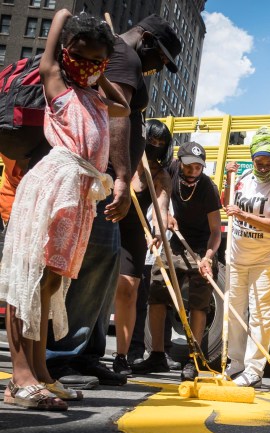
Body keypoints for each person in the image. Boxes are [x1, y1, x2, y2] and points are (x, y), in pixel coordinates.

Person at [0, 10, 129, 410]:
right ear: (68, 54)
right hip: (53, 188)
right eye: (82, 58)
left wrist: (100, 73)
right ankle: (20, 379)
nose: (88, 66)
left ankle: (41, 373)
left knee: (50, 285)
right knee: (30, 281)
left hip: (79, 196)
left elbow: (124, 105)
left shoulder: (94, 95)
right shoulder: (59, 87)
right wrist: (63, 18)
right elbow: (48, 61)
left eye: (98, 61)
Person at [45, 14, 182, 387]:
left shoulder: (121, 55)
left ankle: (86, 354)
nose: (157, 70)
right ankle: (61, 357)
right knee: (85, 267)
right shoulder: (126, 55)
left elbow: (118, 108)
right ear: (150, 42)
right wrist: (121, 176)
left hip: (101, 177)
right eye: (161, 62)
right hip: (100, 178)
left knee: (102, 266)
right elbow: (116, 120)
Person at [138, 141, 221, 381]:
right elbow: (158, 196)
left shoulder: (207, 188)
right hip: (173, 241)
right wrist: (164, 219)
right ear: (179, 163)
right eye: (189, 167)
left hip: (200, 247)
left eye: (198, 167)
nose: (193, 172)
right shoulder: (171, 171)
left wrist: (207, 258)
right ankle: (156, 354)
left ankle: (193, 359)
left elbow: (216, 231)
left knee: (198, 302)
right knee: (157, 293)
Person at [220, 128, 270, 387]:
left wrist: (244, 216)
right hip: (238, 255)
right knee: (234, 311)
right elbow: (226, 203)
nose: (263, 167)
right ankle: (236, 363)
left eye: (269, 163)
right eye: (259, 162)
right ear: (252, 159)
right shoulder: (243, 177)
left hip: (269, 256)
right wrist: (228, 179)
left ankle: (254, 370)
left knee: (261, 314)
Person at [111, 118, 173, 376]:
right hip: (107, 224)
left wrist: (158, 229)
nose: (154, 148)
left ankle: (121, 355)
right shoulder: (119, 157)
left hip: (134, 234)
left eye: (161, 145)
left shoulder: (159, 174)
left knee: (127, 292)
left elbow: (161, 204)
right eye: (151, 142)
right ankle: (80, 351)